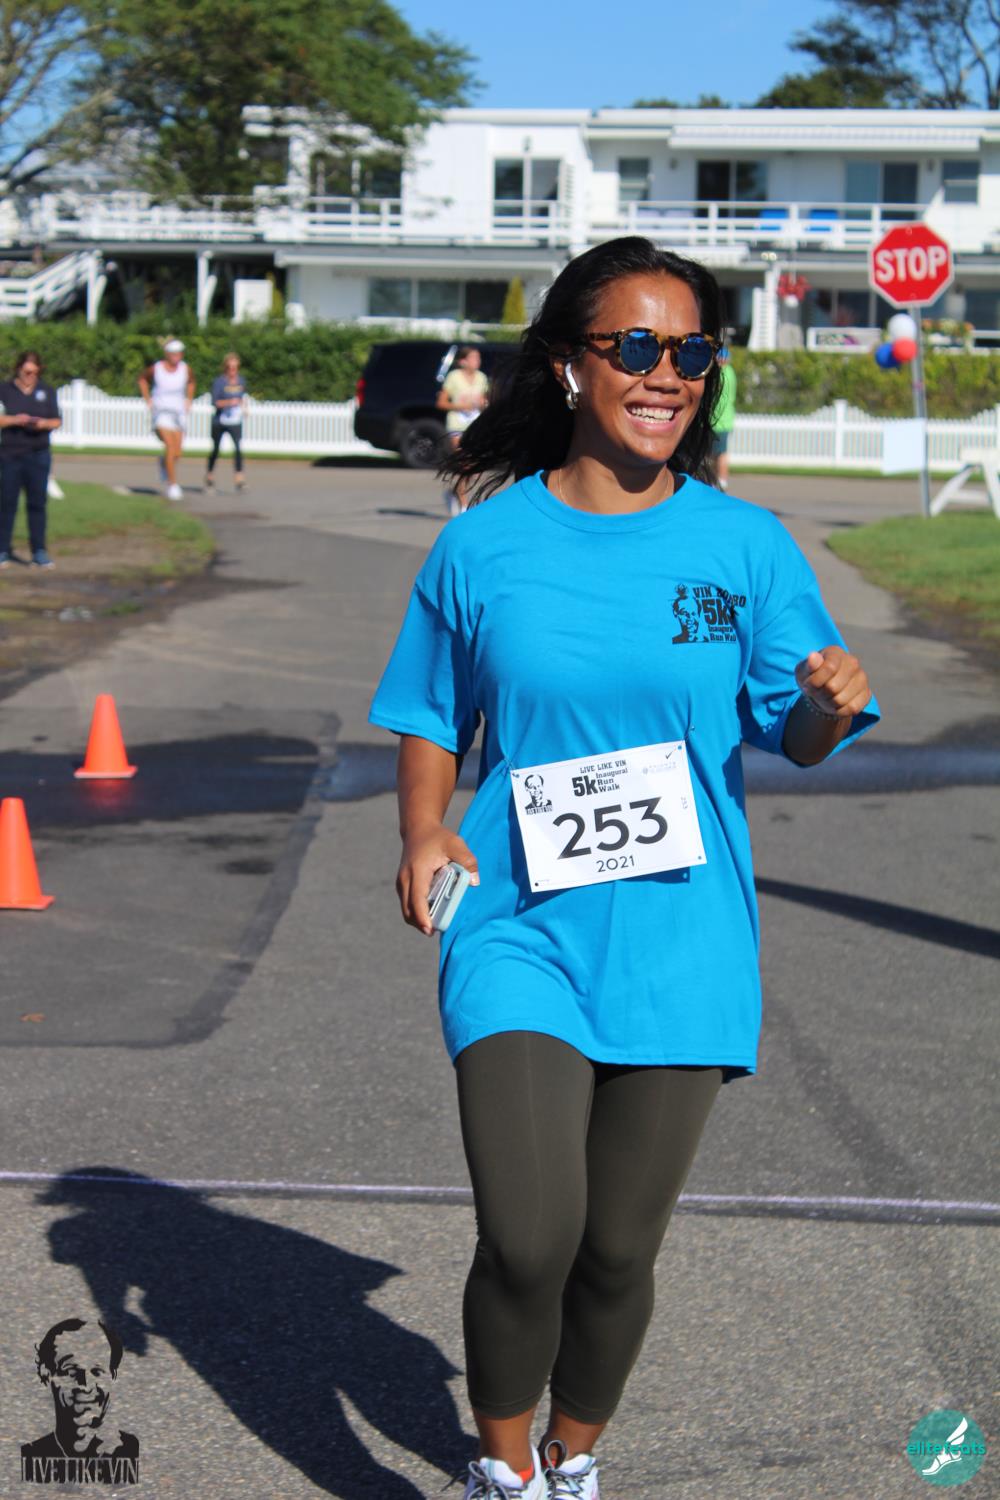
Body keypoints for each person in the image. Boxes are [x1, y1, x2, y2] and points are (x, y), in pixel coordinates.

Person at [369, 235, 878, 1500]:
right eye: (636, 345)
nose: (668, 374)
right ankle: (503, 1474)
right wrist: (424, 829)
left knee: (613, 1253)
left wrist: (824, 706)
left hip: (682, 938)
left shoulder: (745, 547)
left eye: (691, 350)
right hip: (519, 924)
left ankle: (572, 1457)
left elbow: (796, 733)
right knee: (529, 1235)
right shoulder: (483, 546)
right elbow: (431, 712)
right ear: (569, 362)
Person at [21, 1318, 139, 1485]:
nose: (86, 1386)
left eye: (97, 1372)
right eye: (71, 1372)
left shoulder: (128, 1451)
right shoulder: (32, 1457)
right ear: (46, 1375)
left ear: (113, 1376)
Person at [0, 350, 62, 568]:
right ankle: (2, 549)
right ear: (19, 369)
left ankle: (39, 551)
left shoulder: (46, 391)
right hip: (10, 454)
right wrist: (15, 420)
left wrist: (42, 424)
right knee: (7, 503)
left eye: (35, 373)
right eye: (27, 372)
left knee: (37, 504)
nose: (31, 377)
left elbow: (56, 420)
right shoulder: (5, 390)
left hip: (38, 454)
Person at [138, 338, 195, 501]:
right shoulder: (157, 369)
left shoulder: (185, 369)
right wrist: (148, 399)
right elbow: (142, 379)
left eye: (179, 353)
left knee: (177, 452)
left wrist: (189, 399)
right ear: (167, 354)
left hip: (178, 413)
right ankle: (173, 485)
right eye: (173, 353)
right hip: (161, 412)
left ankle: (163, 463)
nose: (176, 356)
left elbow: (191, 383)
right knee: (170, 446)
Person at [437, 345, 489, 516]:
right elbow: (441, 402)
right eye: (473, 358)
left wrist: (484, 404)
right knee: (464, 462)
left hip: (475, 426)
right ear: (462, 361)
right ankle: (464, 505)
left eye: (478, 358)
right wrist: (460, 406)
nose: (477, 361)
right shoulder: (454, 377)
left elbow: (484, 400)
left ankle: (454, 493)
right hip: (456, 425)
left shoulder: (481, 378)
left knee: (474, 467)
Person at [205, 352, 248, 491]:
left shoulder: (241, 381)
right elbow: (215, 402)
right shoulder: (219, 382)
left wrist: (244, 408)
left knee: (238, 448)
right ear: (225, 368)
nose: (232, 371)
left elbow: (243, 398)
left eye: (235, 368)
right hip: (220, 420)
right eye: (230, 368)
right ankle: (210, 475)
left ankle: (239, 478)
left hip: (235, 420)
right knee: (216, 449)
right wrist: (229, 402)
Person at [710, 345, 737, 490]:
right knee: (721, 453)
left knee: (716, 455)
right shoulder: (730, 372)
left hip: (717, 422)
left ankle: (718, 482)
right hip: (726, 421)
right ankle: (720, 481)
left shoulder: (720, 375)